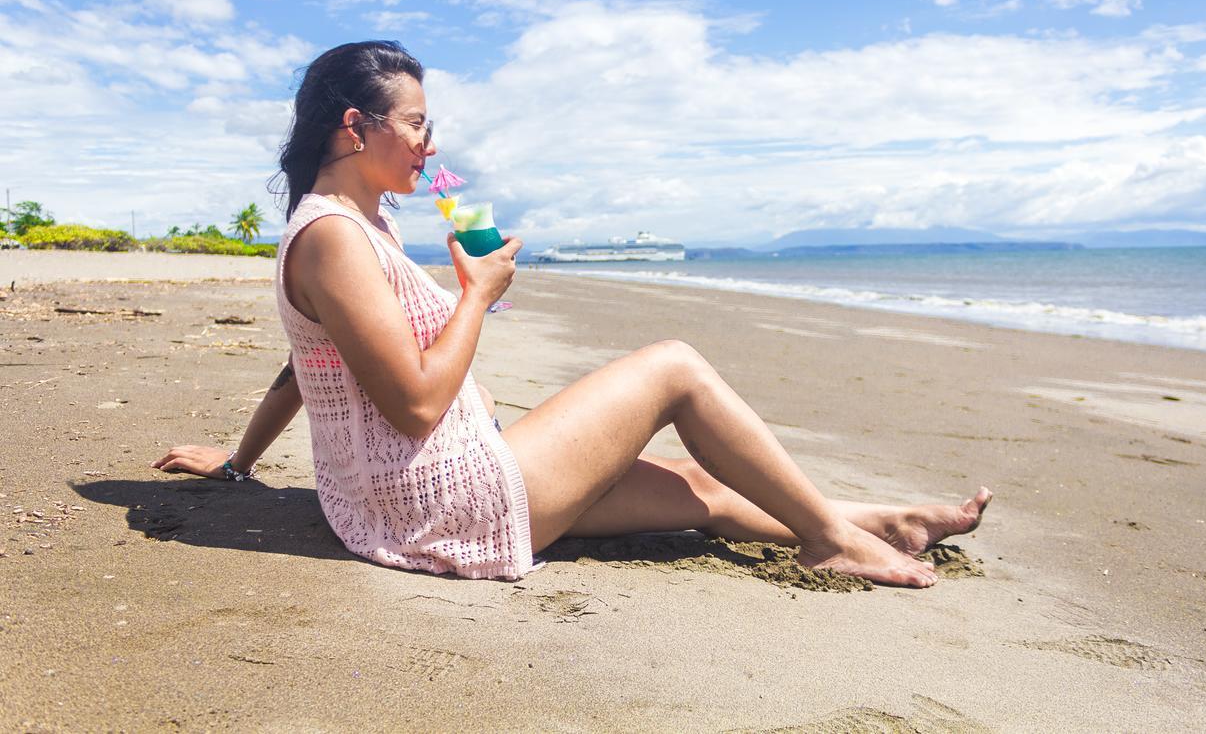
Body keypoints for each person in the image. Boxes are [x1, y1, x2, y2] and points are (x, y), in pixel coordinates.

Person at [153, 41, 991, 587]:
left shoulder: (359, 224)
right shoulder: (336, 236)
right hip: (437, 498)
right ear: (354, 125)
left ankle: (876, 519)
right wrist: (478, 296)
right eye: (415, 123)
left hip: (422, 482)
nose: (429, 143)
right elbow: (411, 405)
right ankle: (829, 537)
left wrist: (238, 462)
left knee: (697, 487)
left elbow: (311, 365)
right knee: (675, 367)